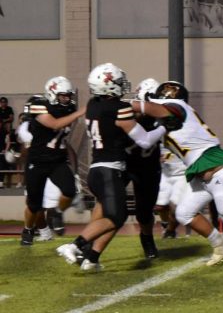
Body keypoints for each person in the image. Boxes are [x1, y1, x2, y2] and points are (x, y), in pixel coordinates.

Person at [135, 80, 223, 267]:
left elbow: (146, 108)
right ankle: (220, 244)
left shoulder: (178, 106)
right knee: (184, 213)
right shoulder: (169, 117)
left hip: (220, 171)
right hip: (201, 175)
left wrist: (122, 105)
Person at [56, 64, 167, 271]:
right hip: (110, 170)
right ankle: (75, 245)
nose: (121, 85)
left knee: (113, 216)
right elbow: (144, 140)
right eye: (116, 82)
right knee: (116, 216)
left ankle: (92, 258)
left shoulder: (92, 105)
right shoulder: (119, 109)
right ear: (108, 87)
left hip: (97, 169)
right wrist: (163, 127)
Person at [21, 77, 84, 246]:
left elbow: (64, 138)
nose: (67, 99)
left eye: (68, 95)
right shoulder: (39, 106)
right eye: (63, 95)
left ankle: (56, 213)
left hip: (57, 160)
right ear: (52, 93)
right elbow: (55, 124)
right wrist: (80, 112)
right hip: (38, 161)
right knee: (34, 204)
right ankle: (27, 229)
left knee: (70, 190)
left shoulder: (68, 108)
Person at [125, 78, 164, 259]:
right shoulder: (127, 114)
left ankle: (147, 238)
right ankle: (91, 241)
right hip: (125, 164)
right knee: (109, 205)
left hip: (148, 166)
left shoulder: (160, 117)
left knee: (144, 211)